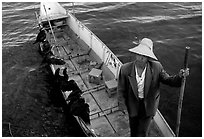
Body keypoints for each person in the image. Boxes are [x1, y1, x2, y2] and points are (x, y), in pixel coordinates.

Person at [117, 38, 189, 137]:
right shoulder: (125, 69)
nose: (140, 58)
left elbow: (169, 80)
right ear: (136, 54)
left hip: (148, 106)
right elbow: (121, 89)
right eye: (139, 54)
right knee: (133, 130)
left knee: (143, 132)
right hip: (132, 105)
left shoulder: (157, 67)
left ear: (148, 58)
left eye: (144, 55)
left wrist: (180, 77)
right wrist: (123, 107)